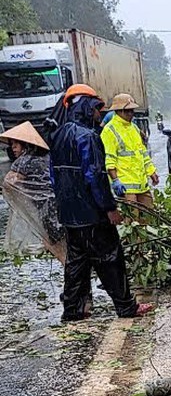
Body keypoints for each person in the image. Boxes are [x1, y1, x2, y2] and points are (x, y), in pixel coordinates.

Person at [46, 89, 152, 323]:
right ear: (85, 108)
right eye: (95, 109)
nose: (98, 114)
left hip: (69, 212)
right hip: (92, 212)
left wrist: (65, 203)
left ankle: (72, 310)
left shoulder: (58, 135)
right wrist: (109, 207)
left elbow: (53, 175)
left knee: (76, 262)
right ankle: (126, 307)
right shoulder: (88, 137)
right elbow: (95, 176)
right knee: (111, 259)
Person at [1, 120, 66, 263]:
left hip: (47, 209)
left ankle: (72, 278)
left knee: (54, 245)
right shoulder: (46, 157)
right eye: (11, 145)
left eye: (15, 145)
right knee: (65, 244)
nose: (13, 148)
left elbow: (8, 183)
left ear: (25, 145)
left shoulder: (24, 161)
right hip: (61, 204)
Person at [101, 93, 159, 215]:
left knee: (150, 219)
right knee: (132, 223)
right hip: (126, 188)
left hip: (142, 184)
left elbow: (143, 153)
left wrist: (151, 171)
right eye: (127, 111)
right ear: (119, 111)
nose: (131, 113)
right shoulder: (109, 130)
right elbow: (110, 159)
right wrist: (115, 180)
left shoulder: (134, 128)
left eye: (132, 110)